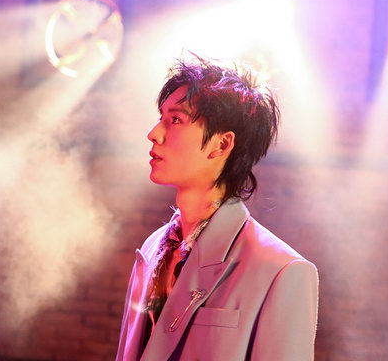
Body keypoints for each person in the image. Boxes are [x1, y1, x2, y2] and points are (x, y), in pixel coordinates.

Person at [116, 56, 318, 361]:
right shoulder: (152, 248)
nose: (154, 133)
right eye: (161, 117)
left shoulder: (281, 271)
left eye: (175, 120)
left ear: (222, 145)